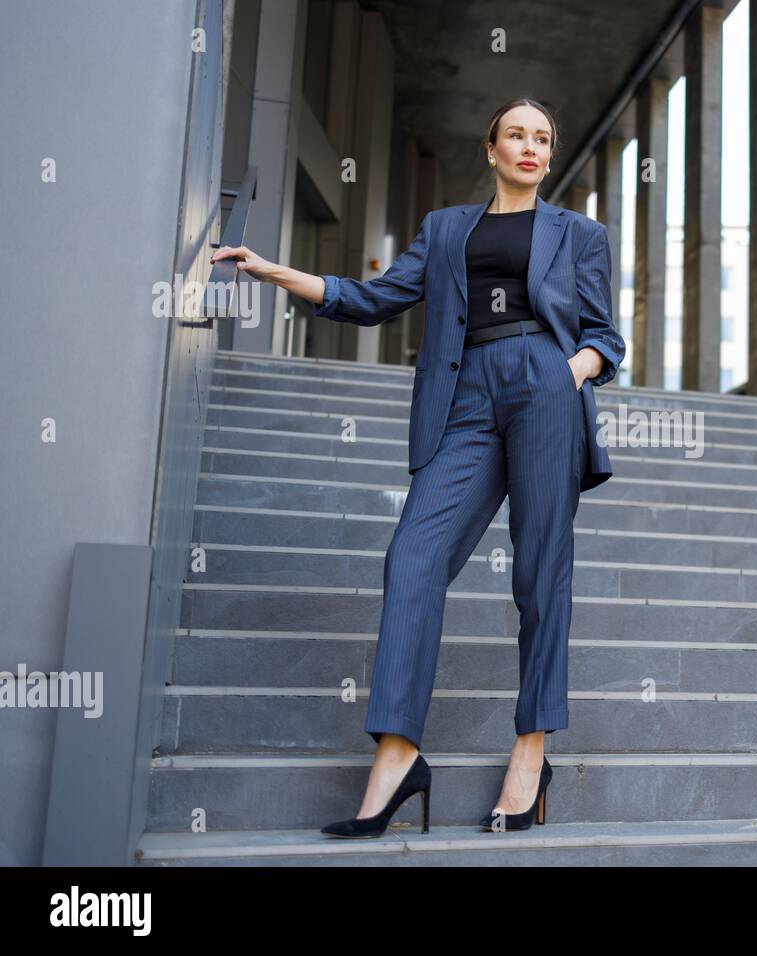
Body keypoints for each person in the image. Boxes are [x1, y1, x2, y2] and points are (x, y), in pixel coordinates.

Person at [209, 96, 625, 835]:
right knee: (412, 556)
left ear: (549, 157)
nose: (531, 147)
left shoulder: (579, 233)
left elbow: (604, 335)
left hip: (546, 385)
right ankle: (398, 754)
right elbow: (373, 299)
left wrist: (570, 373)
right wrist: (273, 273)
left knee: (539, 569)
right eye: (516, 136)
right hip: (465, 392)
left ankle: (530, 751)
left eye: (543, 139)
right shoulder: (444, 230)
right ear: (491, 149)